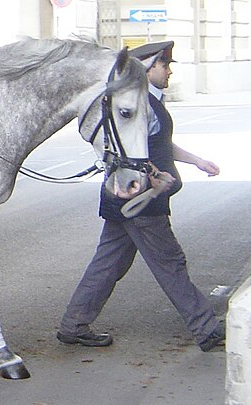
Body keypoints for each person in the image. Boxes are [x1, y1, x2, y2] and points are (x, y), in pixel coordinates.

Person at [57, 41, 225, 352]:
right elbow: (128, 150)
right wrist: (153, 176)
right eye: (165, 65)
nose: (170, 70)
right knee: (169, 262)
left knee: (108, 263)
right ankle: (206, 327)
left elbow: (159, 142)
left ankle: (74, 324)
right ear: (147, 70)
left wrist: (196, 161)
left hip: (127, 199)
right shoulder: (139, 104)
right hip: (140, 200)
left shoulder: (147, 102)